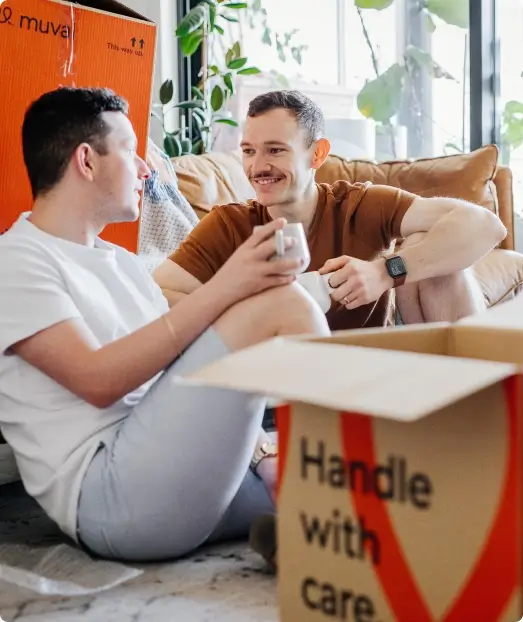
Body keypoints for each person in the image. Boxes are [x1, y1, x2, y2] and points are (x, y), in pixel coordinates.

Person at [0, 87, 330, 562]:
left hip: (170, 469)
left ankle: (305, 528)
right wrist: (229, 284)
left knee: (363, 491)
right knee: (280, 303)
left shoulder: (122, 262)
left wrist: (264, 453)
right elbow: (98, 381)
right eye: (131, 152)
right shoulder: (17, 260)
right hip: (115, 496)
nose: (146, 169)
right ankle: (325, 499)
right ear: (86, 162)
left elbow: (184, 386)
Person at [153, 90, 507, 331]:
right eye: (248, 151)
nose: (258, 166)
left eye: (275, 150)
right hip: (284, 381)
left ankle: (474, 414)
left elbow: (486, 226)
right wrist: (241, 304)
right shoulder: (229, 224)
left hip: (379, 368)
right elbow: (157, 295)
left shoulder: (358, 205)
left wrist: (385, 272)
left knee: (439, 260)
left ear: (317, 154)